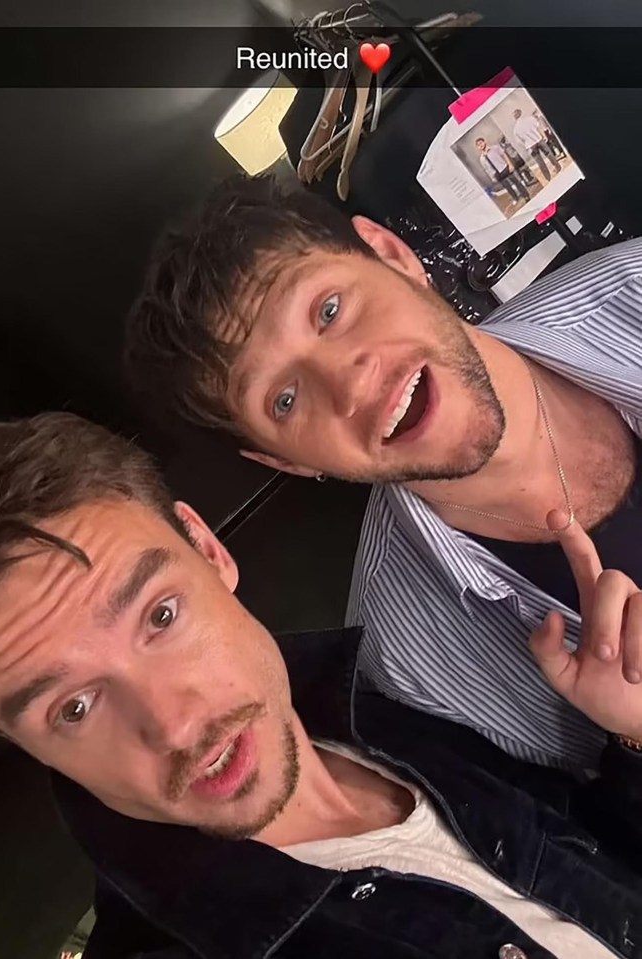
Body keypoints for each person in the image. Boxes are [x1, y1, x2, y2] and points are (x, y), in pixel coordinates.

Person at [0, 412, 642, 959]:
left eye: (160, 616)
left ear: (207, 549)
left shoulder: (390, 701)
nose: (176, 724)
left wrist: (632, 733)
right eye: (73, 706)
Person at [123, 175, 642, 774]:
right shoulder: (408, 669)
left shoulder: (630, 287)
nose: (348, 384)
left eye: (329, 310)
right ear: (288, 462)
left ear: (393, 256)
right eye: (285, 400)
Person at [475, 135, 531, 205]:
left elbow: (504, 155)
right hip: (497, 174)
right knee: (507, 187)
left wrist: (510, 165)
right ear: (477, 148)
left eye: (481, 143)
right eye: (478, 145)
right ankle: (515, 198)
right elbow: (487, 169)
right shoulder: (482, 159)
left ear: (484, 142)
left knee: (516, 182)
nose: (480, 145)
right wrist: (492, 177)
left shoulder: (494, 148)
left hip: (504, 168)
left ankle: (526, 196)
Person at [513, 108, 562, 181]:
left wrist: (526, 147)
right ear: (521, 113)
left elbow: (520, 142)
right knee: (549, 154)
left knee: (540, 162)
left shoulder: (515, 129)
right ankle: (558, 167)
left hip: (530, 146)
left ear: (514, 117)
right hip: (538, 139)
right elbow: (538, 128)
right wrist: (543, 136)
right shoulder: (530, 119)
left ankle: (548, 177)